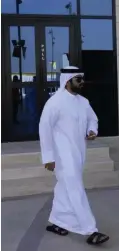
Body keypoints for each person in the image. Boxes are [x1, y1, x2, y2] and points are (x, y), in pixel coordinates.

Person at [39, 66, 109, 245]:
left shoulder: (83, 102)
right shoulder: (55, 102)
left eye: (82, 79)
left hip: (79, 153)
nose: (82, 82)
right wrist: (48, 157)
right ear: (67, 81)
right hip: (62, 156)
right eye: (78, 79)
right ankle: (90, 230)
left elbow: (93, 119)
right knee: (75, 189)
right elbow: (44, 128)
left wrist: (92, 130)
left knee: (65, 188)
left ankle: (57, 221)